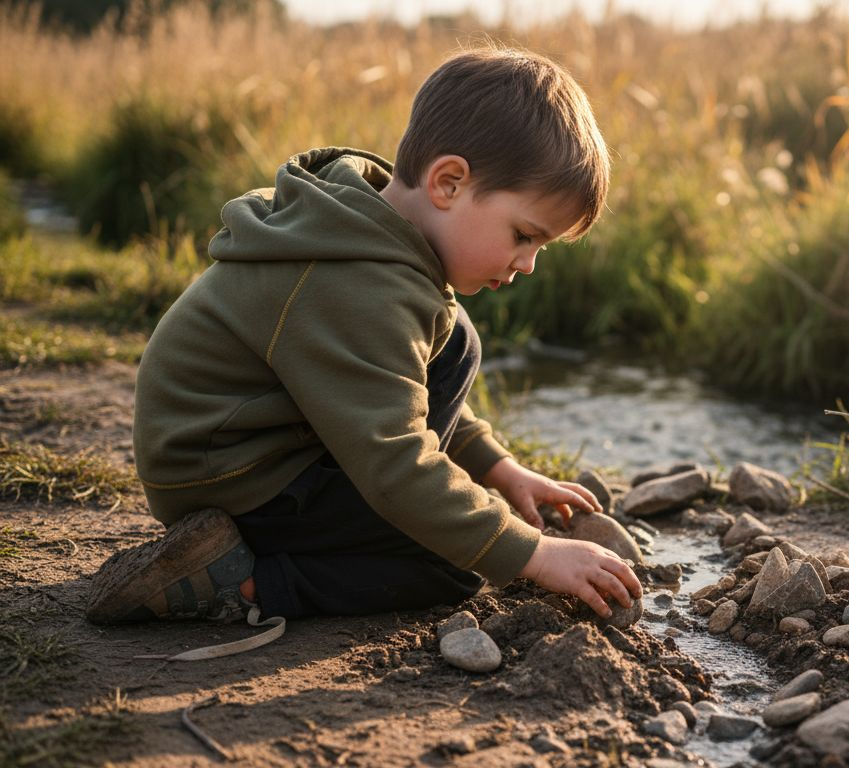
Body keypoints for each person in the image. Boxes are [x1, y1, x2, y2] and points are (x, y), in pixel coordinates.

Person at [85, 47, 641, 636]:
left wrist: (498, 469)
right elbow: (392, 460)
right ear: (448, 182)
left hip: (252, 451)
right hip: (230, 479)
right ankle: (232, 580)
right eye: (524, 236)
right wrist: (532, 554)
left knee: (454, 341)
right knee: (452, 564)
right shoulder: (358, 285)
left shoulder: (366, 237)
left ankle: (272, 552)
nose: (528, 264)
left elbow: (400, 380)